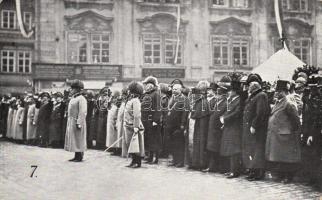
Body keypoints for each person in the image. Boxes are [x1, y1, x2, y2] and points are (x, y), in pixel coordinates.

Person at [266, 80, 301, 184]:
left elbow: (295, 119)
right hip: (278, 134)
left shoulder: (288, 103)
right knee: (280, 157)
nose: (276, 93)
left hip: (286, 134)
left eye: (278, 91)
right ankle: (281, 175)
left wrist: (291, 130)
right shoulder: (279, 101)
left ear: (284, 91)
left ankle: (288, 177)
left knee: (287, 158)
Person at [242, 74, 270, 181]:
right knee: (253, 150)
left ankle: (258, 172)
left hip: (258, 129)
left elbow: (260, 113)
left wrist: (254, 125)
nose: (248, 88)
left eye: (249, 87)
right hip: (252, 129)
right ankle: (253, 170)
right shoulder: (255, 96)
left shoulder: (261, 96)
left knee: (258, 150)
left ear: (253, 88)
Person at [204, 78, 229, 173]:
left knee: (215, 149)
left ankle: (215, 167)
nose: (216, 96)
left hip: (217, 129)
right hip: (213, 129)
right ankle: (212, 166)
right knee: (211, 149)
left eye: (218, 95)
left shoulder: (224, 103)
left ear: (223, 95)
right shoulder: (218, 102)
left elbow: (220, 115)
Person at [220, 77, 242, 178]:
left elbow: (236, 113)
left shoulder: (239, 101)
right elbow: (228, 112)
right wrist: (223, 117)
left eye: (231, 91)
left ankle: (235, 171)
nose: (229, 92)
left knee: (234, 150)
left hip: (235, 127)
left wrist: (225, 119)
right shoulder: (232, 100)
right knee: (230, 148)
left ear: (235, 92)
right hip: (230, 127)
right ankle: (231, 169)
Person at [188, 80, 211, 170]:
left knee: (200, 143)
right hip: (200, 125)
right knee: (198, 143)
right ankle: (197, 162)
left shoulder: (202, 101)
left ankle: (199, 163)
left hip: (201, 126)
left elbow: (196, 113)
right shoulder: (202, 100)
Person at [166, 81, 189, 168]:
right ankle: (175, 160)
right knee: (172, 144)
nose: (174, 91)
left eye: (176, 89)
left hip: (178, 125)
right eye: (173, 89)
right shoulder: (172, 98)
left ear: (180, 90)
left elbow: (185, 112)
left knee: (179, 144)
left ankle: (180, 161)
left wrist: (182, 124)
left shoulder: (184, 99)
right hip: (170, 125)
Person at [64, 79, 87, 162]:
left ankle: (80, 156)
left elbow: (82, 112)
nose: (71, 90)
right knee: (74, 139)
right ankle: (76, 155)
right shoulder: (73, 98)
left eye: (73, 88)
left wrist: (79, 122)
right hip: (72, 121)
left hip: (77, 121)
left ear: (78, 89)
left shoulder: (81, 99)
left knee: (79, 139)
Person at [124, 81, 145, 168]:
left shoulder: (135, 101)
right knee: (130, 145)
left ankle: (137, 162)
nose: (128, 91)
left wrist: (136, 126)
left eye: (130, 90)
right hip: (129, 125)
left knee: (136, 145)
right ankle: (133, 160)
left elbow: (137, 115)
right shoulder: (131, 100)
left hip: (134, 126)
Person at [141, 76, 162, 164]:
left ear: (152, 85)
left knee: (155, 140)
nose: (145, 86)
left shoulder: (156, 93)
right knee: (149, 139)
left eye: (147, 84)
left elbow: (158, 108)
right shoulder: (147, 94)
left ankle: (155, 158)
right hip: (146, 120)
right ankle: (150, 156)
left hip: (152, 121)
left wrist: (155, 120)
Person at [106, 91, 121, 155]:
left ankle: (116, 149)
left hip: (114, 123)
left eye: (114, 97)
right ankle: (112, 148)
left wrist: (115, 122)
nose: (113, 99)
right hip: (110, 122)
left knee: (115, 137)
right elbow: (108, 107)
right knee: (111, 137)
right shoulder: (112, 104)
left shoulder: (118, 104)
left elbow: (117, 114)